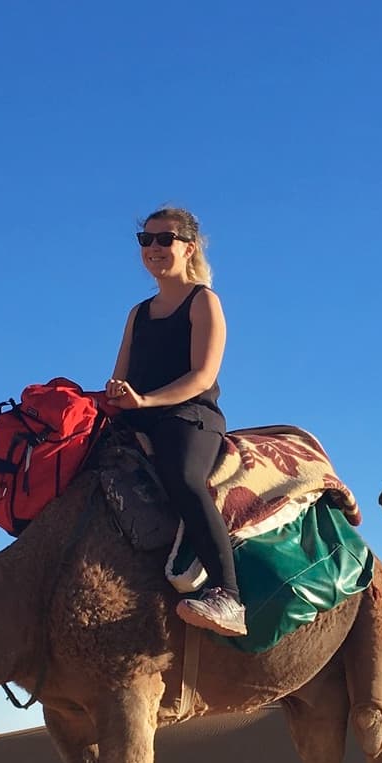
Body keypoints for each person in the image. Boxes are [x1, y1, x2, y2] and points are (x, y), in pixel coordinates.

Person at [105, 205, 245, 637]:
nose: (154, 248)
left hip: (189, 416)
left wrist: (146, 400)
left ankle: (228, 595)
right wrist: (116, 397)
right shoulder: (137, 313)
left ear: (190, 247)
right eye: (146, 240)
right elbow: (118, 378)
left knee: (182, 476)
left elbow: (201, 375)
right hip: (139, 416)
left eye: (164, 239)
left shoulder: (203, 301)